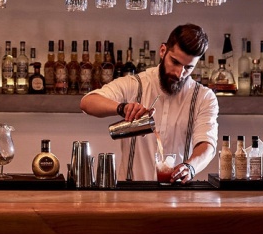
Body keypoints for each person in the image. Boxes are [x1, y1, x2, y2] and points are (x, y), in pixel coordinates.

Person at [79, 23, 219, 183]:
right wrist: (122, 108)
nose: (179, 73)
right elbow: (87, 102)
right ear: (163, 51)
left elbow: (207, 144)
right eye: (175, 62)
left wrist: (190, 166)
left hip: (178, 193)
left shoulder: (203, 97)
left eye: (188, 67)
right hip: (130, 192)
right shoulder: (135, 84)